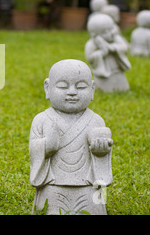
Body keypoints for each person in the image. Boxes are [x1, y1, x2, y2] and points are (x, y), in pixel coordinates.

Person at [29, 59, 113, 215]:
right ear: (47, 88)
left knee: (95, 208)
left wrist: (101, 152)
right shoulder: (41, 120)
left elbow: (103, 153)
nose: (72, 92)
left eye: (81, 87)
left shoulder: (96, 120)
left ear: (93, 89)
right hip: (53, 183)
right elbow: (34, 149)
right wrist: (46, 146)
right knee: (49, 209)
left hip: (88, 185)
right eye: (62, 86)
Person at [85, 13, 131, 92]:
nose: (111, 33)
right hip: (104, 73)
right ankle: (102, 89)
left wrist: (113, 48)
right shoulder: (91, 44)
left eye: (112, 29)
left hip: (117, 70)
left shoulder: (116, 39)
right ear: (94, 35)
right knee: (106, 87)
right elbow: (90, 58)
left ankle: (123, 89)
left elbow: (124, 47)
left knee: (122, 86)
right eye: (106, 32)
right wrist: (101, 53)